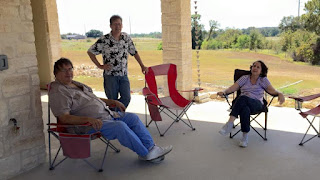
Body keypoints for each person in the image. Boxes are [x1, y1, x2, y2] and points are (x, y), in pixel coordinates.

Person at [49, 58, 172, 162]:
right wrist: (88, 119)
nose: (68, 72)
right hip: (87, 125)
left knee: (132, 118)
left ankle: (152, 148)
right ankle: (145, 153)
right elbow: (64, 118)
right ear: (55, 73)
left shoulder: (75, 83)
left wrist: (110, 101)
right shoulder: (58, 91)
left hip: (106, 115)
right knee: (120, 126)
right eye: (63, 70)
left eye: (70, 69)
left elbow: (92, 98)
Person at [217, 60, 285, 148]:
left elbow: (273, 90)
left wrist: (280, 94)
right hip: (243, 104)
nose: (255, 68)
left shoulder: (263, 80)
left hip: (257, 105)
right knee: (245, 109)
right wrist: (224, 92)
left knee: (243, 98)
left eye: (258, 67)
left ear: (262, 70)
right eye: (254, 66)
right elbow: (232, 88)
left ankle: (230, 123)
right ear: (251, 68)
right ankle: (244, 137)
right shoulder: (244, 78)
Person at [87, 15, 147, 108]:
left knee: (126, 98)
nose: (117, 27)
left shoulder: (126, 38)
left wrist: (142, 66)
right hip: (110, 76)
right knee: (112, 100)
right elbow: (90, 52)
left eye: (119, 24)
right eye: (115, 24)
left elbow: (134, 52)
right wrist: (100, 65)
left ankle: (115, 114)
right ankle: (115, 119)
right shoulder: (104, 40)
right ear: (110, 26)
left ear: (122, 25)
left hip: (123, 75)